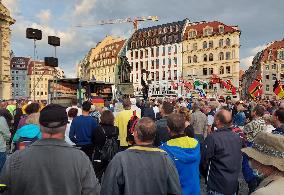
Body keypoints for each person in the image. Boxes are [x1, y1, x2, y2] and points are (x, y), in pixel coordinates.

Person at [0, 104, 100, 195]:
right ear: (65, 126)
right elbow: (92, 191)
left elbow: (4, 189)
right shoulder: (81, 159)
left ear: (40, 125)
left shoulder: (15, 159)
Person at [101, 117, 181, 195]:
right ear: (154, 135)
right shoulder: (165, 158)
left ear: (135, 134)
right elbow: (175, 190)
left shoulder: (120, 159)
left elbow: (108, 189)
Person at [201, 109, 242, 195]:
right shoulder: (237, 137)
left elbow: (203, 161)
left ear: (218, 121)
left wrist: (207, 176)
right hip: (232, 183)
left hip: (217, 185)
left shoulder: (213, 138)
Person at [160, 113, 200, 195]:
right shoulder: (196, 143)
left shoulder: (164, 149)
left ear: (168, 129)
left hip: (175, 190)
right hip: (194, 190)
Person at [92, 110, 119, 182]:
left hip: (99, 155)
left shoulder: (97, 129)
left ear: (102, 118)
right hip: (111, 156)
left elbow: (93, 142)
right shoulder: (116, 129)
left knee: (97, 176)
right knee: (111, 177)